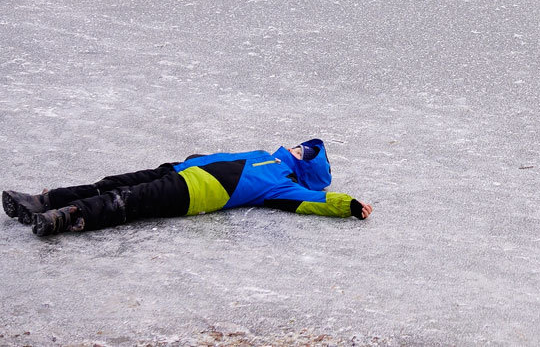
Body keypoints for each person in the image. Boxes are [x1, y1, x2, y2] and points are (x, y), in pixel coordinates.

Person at [3, 138, 372, 237]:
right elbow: (225, 158)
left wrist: (349, 205)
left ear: (306, 169)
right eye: (304, 146)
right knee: (112, 183)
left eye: (306, 153)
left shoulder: (284, 186)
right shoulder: (266, 155)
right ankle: (42, 201)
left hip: (194, 194)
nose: (298, 148)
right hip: (180, 170)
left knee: (126, 201)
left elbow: (314, 201)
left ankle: (63, 218)